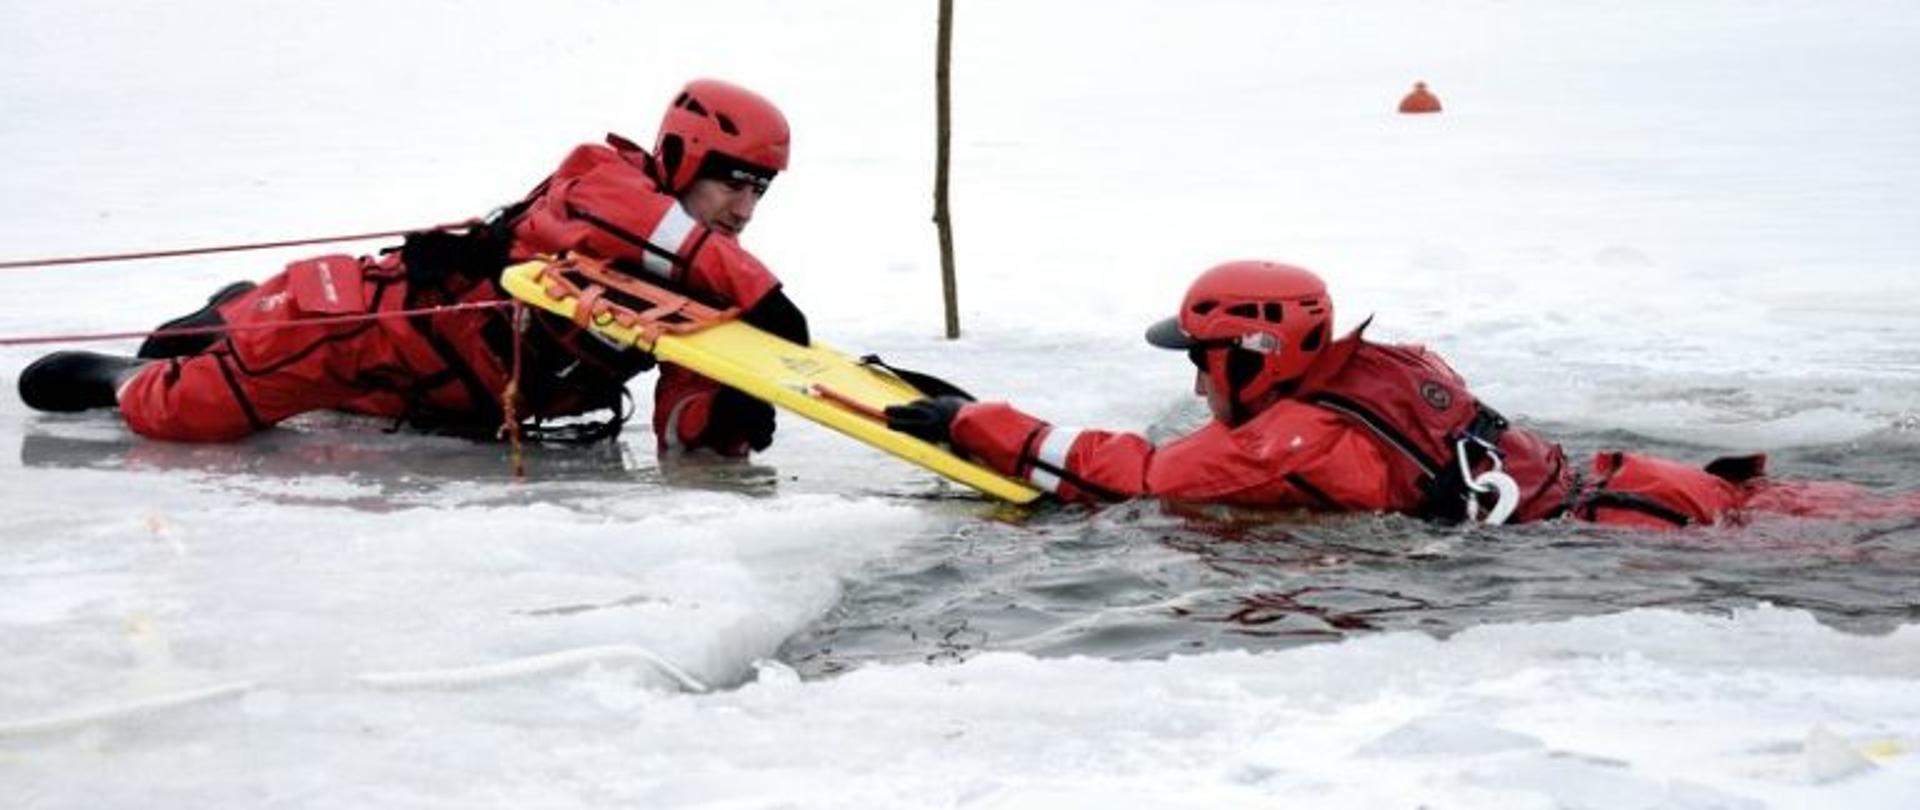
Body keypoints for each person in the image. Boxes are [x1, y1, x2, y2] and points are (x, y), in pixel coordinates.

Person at [17, 78, 808, 457]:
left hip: (428, 397)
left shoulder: (705, 281)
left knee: (311, 391)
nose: (743, 208)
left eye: (760, 190)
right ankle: (123, 373)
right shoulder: (601, 182)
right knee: (179, 410)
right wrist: (769, 301)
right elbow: (649, 229)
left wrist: (727, 419)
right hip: (359, 331)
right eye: (732, 180)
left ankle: (231, 313)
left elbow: (684, 431)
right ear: (681, 155)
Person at [886, 260, 1920, 528]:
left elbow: (1149, 477)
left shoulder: (1285, 434)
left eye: (1202, 356)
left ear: (1254, 353)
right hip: (1648, 492)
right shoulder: (1386, 362)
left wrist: (979, 420)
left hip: (1630, 530)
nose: (1197, 378)